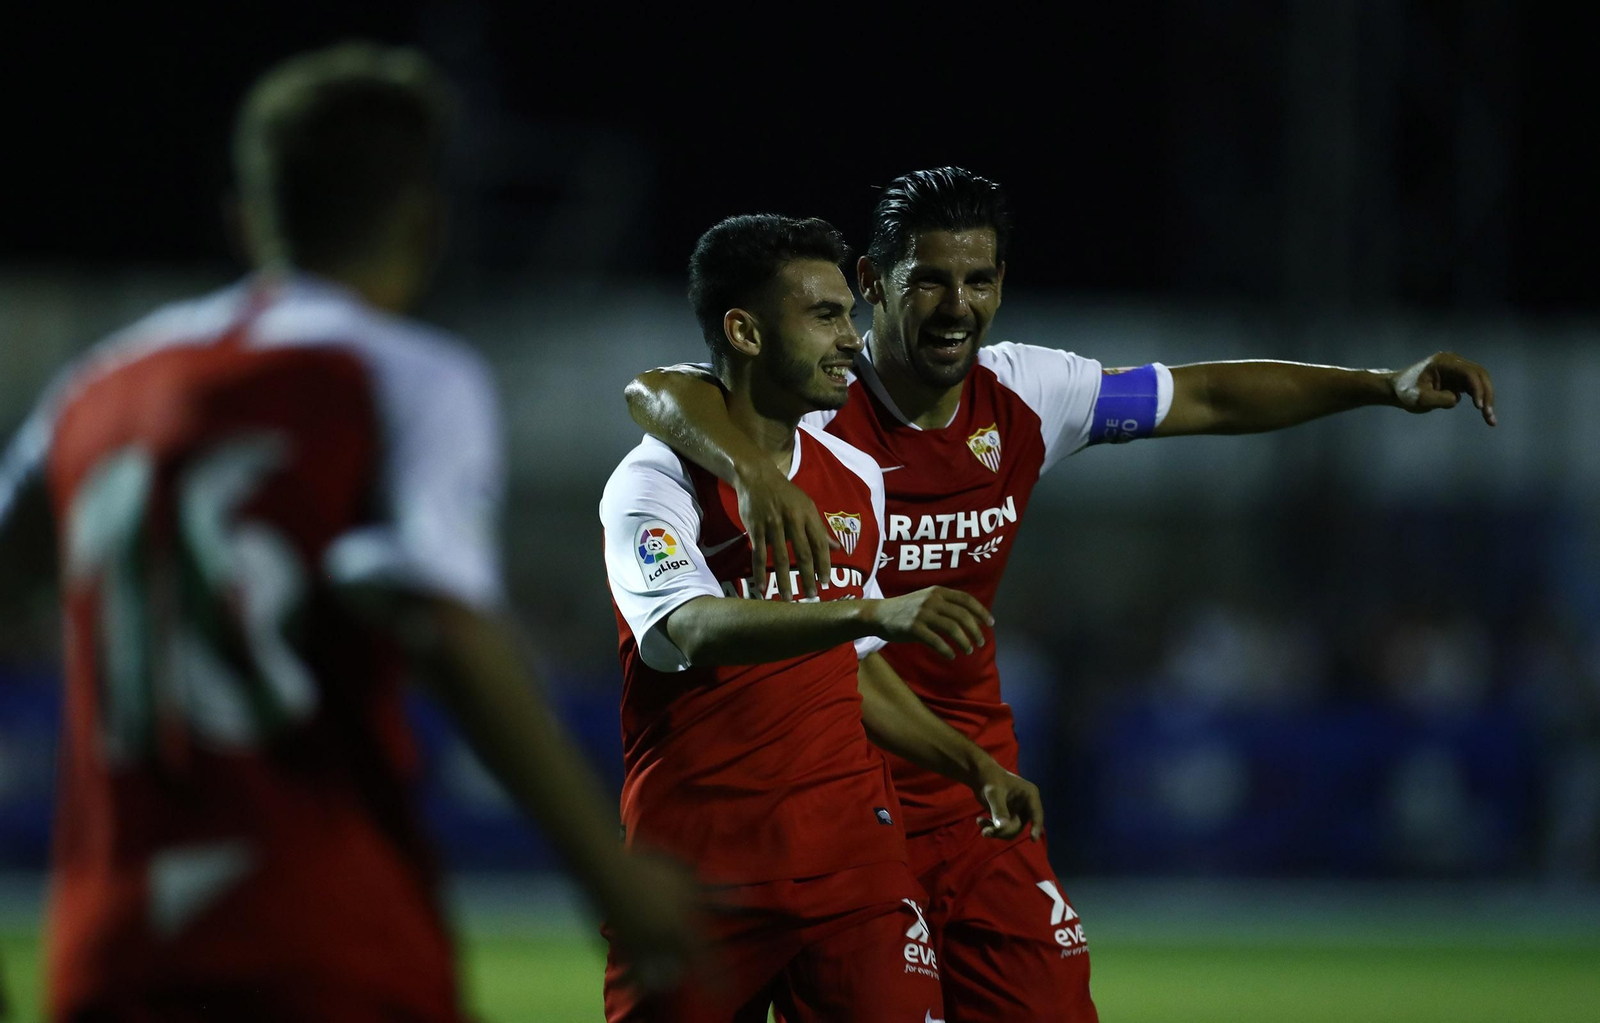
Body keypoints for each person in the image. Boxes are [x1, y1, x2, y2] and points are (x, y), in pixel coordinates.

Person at [624, 167, 1499, 1022]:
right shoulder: (814, 399)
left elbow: (1204, 394)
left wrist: (1379, 387)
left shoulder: (1029, 393)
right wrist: (745, 467)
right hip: (839, 797)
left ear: (1002, 284)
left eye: (977, 280)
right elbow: (658, 390)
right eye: (927, 280)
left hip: (970, 794)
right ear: (872, 286)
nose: (955, 305)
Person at [0, 42, 697, 1023]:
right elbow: (439, 621)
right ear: (426, 222)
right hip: (319, 939)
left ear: (247, 217)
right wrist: (612, 879)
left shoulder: (91, 390)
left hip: (106, 952)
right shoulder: (400, 374)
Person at [600, 213, 1045, 1022]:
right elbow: (689, 629)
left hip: (855, 869)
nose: (853, 337)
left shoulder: (853, 474)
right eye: (826, 315)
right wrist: (865, 608)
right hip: (699, 873)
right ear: (744, 329)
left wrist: (970, 762)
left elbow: (855, 667)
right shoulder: (653, 481)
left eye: (849, 311)